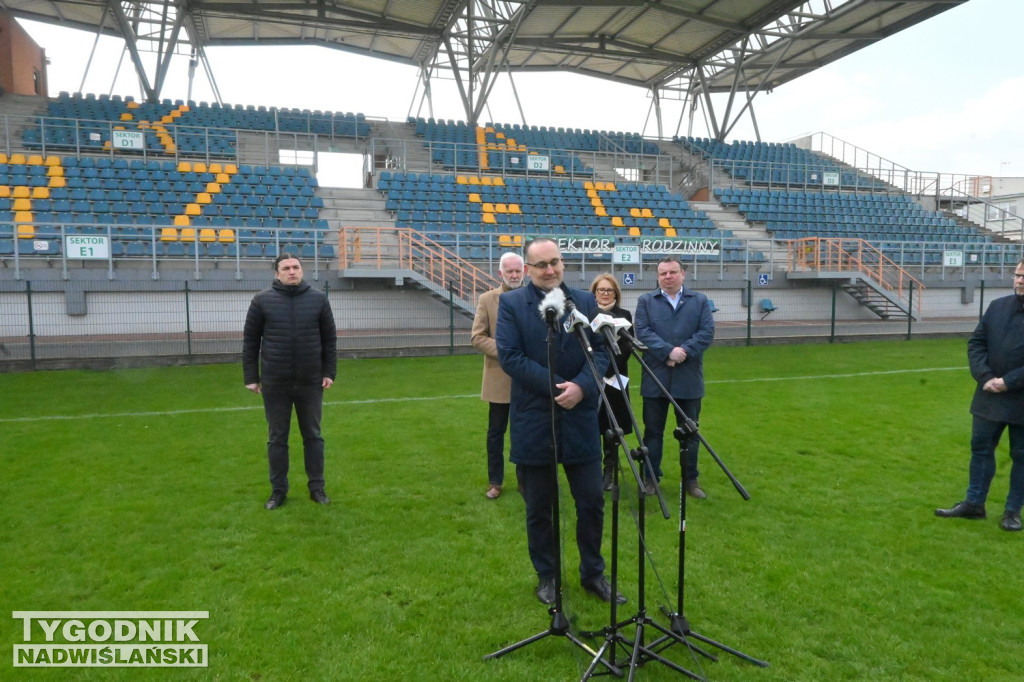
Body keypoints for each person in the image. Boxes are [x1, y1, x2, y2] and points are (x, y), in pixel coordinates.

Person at [496, 238, 625, 606]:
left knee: (590, 504)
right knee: (540, 508)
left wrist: (583, 389)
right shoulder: (511, 304)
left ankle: (593, 574)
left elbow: (600, 352)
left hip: (581, 420)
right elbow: (510, 357)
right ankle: (547, 576)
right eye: (541, 265)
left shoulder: (584, 302)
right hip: (535, 422)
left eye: (555, 262)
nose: (550, 270)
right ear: (528, 268)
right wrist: (558, 388)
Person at [242, 253, 338, 510]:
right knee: (277, 439)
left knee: (313, 436)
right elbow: (251, 342)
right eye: (286, 268)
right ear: (277, 274)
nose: (292, 271)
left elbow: (330, 340)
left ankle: (317, 488)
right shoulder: (261, 301)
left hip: (310, 381)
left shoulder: (318, 299)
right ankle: (278, 491)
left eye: (296, 267)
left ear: (302, 271)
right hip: (276, 382)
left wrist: (329, 372)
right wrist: (251, 377)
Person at [935, 259, 1024, 532]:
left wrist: (1009, 381)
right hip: (989, 395)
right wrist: (985, 377)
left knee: (1021, 455)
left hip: (1020, 399)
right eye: (1018, 274)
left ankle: (1012, 512)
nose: (1020, 280)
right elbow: (976, 343)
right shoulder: (998, 307)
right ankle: (974, 504)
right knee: (981, 449)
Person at [634, 256, 715, 499]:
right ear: (657, 277)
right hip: (655, 378)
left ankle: (690, 479)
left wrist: (683, 352)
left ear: (683, 274)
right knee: (652, 433)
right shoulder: (646, 301)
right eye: (662, 273)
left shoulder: (699, 301)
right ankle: (650, 479)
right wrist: (668, 351)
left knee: (690, 432)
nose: (667, 277)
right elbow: (643, 332)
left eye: (672, 272)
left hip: (688, 379)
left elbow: (706, 332)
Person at [471, 251, 525, 499]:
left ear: (524, 271)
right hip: (499, 379)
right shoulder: (487, 299)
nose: (514, 275)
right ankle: (495, 481)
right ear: (500, 273)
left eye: (518, 270)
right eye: (510, 271)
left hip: (529, 379)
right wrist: (507, 353)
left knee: (526, 432)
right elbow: (477, 337)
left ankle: (526, 481)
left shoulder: (536, 297)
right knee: (496, 433)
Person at [590, 273, 634, 491]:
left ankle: (610, 470)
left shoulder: (624, 315)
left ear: (616, 292)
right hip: (592, 378)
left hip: (616, 379)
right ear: (594, 292)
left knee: (612, 425)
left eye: (609, 290)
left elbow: (626, 348)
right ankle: (591, 471)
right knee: (591, 425)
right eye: (601, 290)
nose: (605, 294)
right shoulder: (587, 314)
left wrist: (607, 370)